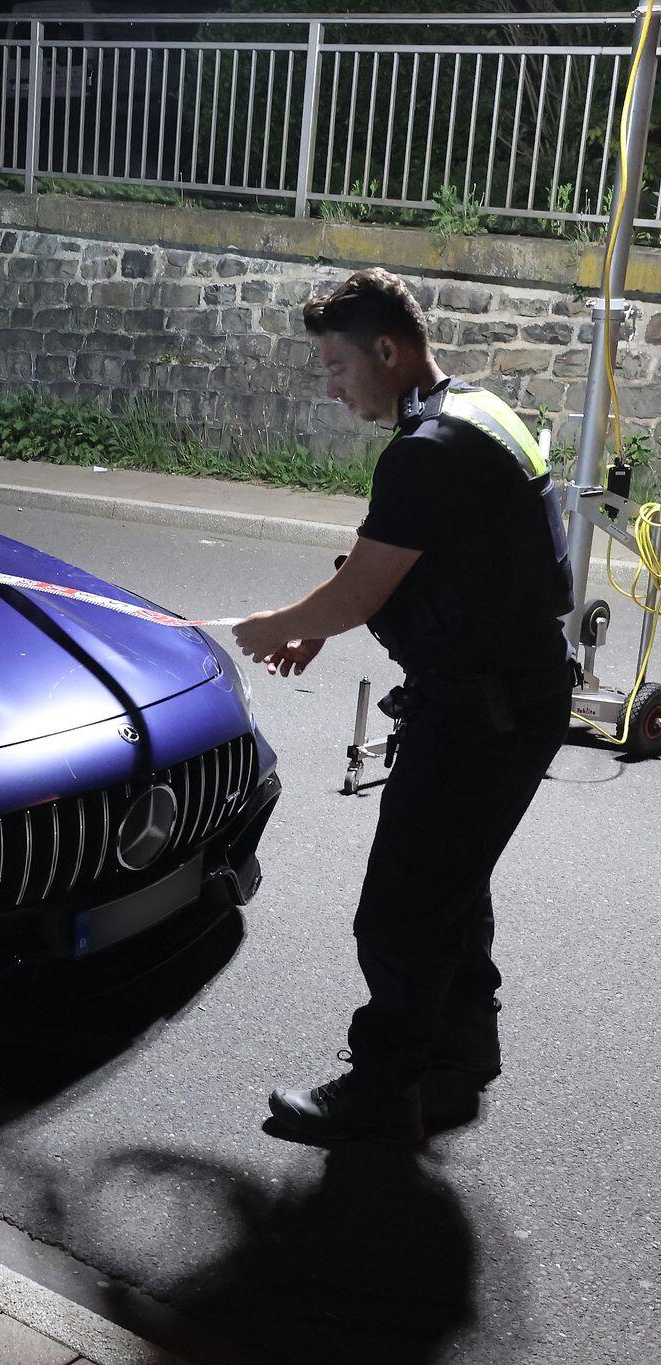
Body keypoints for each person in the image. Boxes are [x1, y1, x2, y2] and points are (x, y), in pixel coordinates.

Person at [231, 268, 574, 1145]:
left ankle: (382, 1093)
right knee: (452, 881)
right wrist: (320, 624)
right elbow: (397, 558)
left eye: (336, 365)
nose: (331, 386)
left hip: (479, 712)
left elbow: (362, 588)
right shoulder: (474, 411)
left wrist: (279, 624)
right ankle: (462, 1045)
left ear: (386, 350)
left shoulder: (423, 450)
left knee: (398, 909)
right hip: (514, 695)